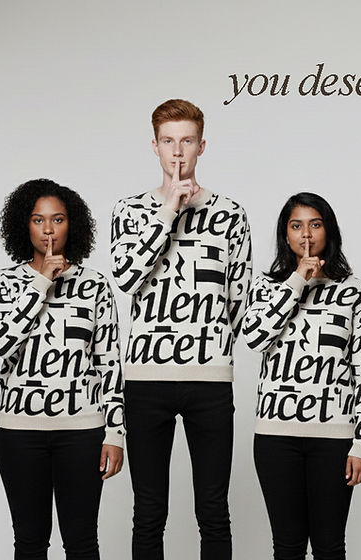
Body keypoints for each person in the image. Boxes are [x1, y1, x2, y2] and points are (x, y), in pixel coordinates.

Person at [110, 99, 253, 560]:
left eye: (186, 141)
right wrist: (168, 209)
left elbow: (238, 301)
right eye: (168, 142)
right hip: (145, 380)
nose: (178, 152)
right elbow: (127, 278)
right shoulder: (129, 210)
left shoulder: (230, 214)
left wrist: (207, 348)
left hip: (209, 378)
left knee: (212, 509)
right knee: (149, 510)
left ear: (201, 146)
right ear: (154, 147)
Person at [0, 178, 124, 559]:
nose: (48, 229)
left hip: (82, 432)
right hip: (19, 433)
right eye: (38, 219)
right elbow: (1, 341)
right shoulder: (3, 282)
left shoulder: (95, 285)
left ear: (71, 224)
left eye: (58, 219)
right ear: (23, 225)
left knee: (81, 543)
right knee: (29, 542)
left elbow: (109, 362)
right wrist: (41, 280)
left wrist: (115, 432)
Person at [242, 192, 361, 560]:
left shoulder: (354, 292)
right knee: (286, 547)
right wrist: (296, 282)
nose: (306, 235)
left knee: (329, 546)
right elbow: (255, 338)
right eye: (296, 225)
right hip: (275, 436)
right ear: (284, 234)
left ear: (328, 232)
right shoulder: (266, 288)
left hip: (334, 438)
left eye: (315, 225)